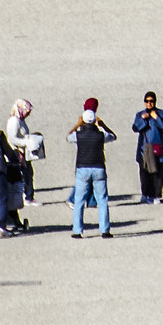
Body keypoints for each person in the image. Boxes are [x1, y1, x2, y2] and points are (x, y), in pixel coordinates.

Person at [66, 100, 117, 238]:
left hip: (83, 168)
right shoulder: (101, 135)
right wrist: (103, 125)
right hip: (99, 168)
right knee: (102, 200)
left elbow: (68, 137)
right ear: (95, 120)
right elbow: (113, 136)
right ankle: (105, 230)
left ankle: (77, 231)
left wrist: (77, 124)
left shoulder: (78, 135)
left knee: (79, 201)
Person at [132, 92, 163, 203]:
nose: (149, 103)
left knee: (158, 173)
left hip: (158, 148)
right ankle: (145, 194)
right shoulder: (140, 114)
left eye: (151, 101)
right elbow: (135, 128)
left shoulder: (161, 113)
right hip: (144, 149)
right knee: (144, 173)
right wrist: (143, 119)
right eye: (147, 101)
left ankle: (156, 195)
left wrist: (156, 118)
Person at [5, 98, 44, 209]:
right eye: (27, 111)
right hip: (17, 152)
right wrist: (26, 142)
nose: (29, 114)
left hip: (23, 152)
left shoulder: (20, 120)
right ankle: (28, 197)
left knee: (28, 174)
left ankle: (28, 196)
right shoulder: (14, 121)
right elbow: (12, 139)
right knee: (25, 174)